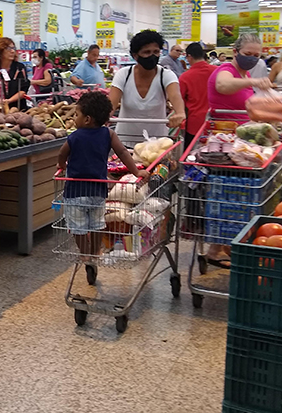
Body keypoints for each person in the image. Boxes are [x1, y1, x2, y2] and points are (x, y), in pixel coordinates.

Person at [57, 91, 149, 281]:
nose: (75, 118)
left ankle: (84, 254)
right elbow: (123, 153)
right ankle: (95, 251)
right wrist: (136, 172)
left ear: (88, 119)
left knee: (78, 227)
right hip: (98, 190)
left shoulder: (74, 137)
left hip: (75, 192)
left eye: (77, 114)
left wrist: (62, 166)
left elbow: (62, 153)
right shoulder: (108, 134)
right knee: (98, 224)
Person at [109, 30, 186, 143]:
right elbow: (112, 103)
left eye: (156, 51)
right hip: (124, 143)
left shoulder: (166, 75)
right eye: (146, 52)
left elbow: (175, 95)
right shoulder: (124, 74)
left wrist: (180, 113)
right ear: (135, 56)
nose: (152, 56)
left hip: (157, 144)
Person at [208, 34, 273, 124]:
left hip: (243, 130)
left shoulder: (246, 74)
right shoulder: (226, 70)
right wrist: (253, 82)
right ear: (235, 52)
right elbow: (222, 85)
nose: (251, 58)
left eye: (256, 55)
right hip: (225, 132)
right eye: (247, 54)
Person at [178, 42, 215, 147]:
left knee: (191, 156)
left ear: (189, 56)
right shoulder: (218, 71)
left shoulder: (185, 77)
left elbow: (180, 101)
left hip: (195, 123)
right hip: (216, 121)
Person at [0, 37, 30, 110]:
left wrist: (8, 101)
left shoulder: (19, 68)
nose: (12, 51)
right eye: (9, 48)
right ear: (0, 51)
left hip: (17, 110)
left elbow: (23, 91)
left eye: (14, 48)